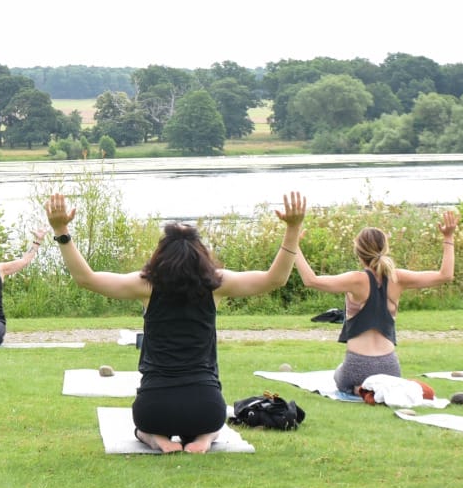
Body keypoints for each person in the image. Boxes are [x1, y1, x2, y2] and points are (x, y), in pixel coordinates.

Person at [46, 191, 307, 454]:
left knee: (142, 429)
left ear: (161, 254)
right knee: (214, 425)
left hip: (153, 411)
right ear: (201, 254)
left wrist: (61, 230)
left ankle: (155, 439)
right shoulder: (216, 284)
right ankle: (204, 440)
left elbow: (86, 279)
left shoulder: (146, 285)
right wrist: (293, 229)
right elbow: (275, 279)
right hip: (206, 409)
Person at [292, 211, 457, 394]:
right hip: (390, 368)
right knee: (378, 381)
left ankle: (361, 390)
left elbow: (311, 280)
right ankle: (372, 390)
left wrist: (294, 246)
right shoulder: (398, 277)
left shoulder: (355, 280)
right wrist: (448, 237)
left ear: (358, 251)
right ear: (385, 248)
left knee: (338, 375)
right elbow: (445, 275)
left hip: (357, 365)